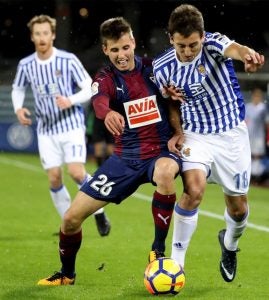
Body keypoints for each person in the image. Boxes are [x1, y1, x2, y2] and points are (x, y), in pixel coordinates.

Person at [37, 16, 182, 286]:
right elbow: (99, 101)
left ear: (133, 43)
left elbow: (176, 96)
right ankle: (67, 275)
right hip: (125, 160)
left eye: (125, 48)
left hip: (160, 152)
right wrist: (107, 114)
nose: (121, 55)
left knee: (165, 174)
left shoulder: (154, 70)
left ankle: (157, 250)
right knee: (70, 219)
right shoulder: (104, 78)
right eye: (114, 50)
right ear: (105, 50)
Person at [153, 4, 264, 282]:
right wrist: (177, 131)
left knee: (238, 209)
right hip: (195, 135)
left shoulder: (213, 44)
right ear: (171, 39)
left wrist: (248, 55)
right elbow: (170, 105)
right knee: (194, 190)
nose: (188, 51)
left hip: (231, 136)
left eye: (192, 45)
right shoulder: (162, 67)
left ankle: (230, 245)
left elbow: (235, 49)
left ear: (202, 36)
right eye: (181, 46)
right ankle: (176, 265)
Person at [11, 14, 111, 237]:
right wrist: (18, 108)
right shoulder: (26, 65)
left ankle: (99, 212)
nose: (42, 37)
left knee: (76, 172)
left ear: (53, 35)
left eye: (46, 33)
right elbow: (18, 88)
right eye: (38, 33)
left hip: (71, 125)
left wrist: (71, 100)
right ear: (32, 36)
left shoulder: (67, 60)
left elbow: (89, 87)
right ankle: (70, 224)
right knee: (54, 177)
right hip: (46, 130)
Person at [245, 88, 269, 184]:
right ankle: (249, 175)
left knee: (257, 156)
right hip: (248, 135)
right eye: (255, 96)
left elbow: (267, 123)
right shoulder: (248, 107)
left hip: (259, 135)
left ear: (260, 97)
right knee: (248, 155)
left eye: (258, 96)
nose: (256, 98)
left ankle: (257, 176)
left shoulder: (263, 108)